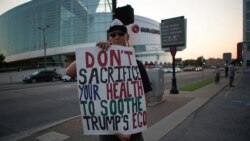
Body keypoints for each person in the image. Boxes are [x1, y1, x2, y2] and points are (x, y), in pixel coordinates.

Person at [66, 19, 152, 141]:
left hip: (134, 134)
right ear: (109, 39)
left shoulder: (136, 64)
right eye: (113, 35)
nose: (117, 37)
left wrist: (131, 128)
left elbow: (145, 95)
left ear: (127, 37)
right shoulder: (99, 62)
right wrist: (95, 51)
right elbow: (69, 72)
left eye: (121, 34)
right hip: (108, 135)